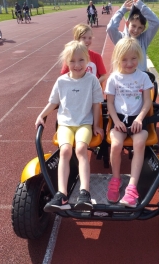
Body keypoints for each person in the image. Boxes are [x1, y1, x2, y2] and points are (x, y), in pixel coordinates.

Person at [35, 41, 104, 212]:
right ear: (66, 62)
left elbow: (96, 104)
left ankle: (84, 192)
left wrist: (97, 125)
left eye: (81, 60)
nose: (77, 65)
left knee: (81, 149)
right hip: (65, 123)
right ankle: (61, 194)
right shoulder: (61, 81)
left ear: (87, 60)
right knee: (65, 151)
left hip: (83, 124)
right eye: (72, 61)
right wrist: (42, 115)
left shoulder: (92, 80)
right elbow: (53, 102)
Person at [104, 37, 153, 207]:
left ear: (138, 57)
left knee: (139, 143)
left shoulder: (143, 77)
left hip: (138, 120)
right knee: (116, 145)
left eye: (133, 58)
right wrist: (116, 120)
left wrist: (140, 118)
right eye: (124, 59)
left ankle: (132, 187)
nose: (129, 63)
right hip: (119, 119)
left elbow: (147, 101)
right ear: (118, 59)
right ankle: (116, 179)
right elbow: (109, 103)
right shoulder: (113, 78)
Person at [106, 0, 159, 71]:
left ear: (143, 29)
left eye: (140, 28)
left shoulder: (144, 39)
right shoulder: (121, 39)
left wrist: (141, 5)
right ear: (127, 24)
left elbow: (156, 23)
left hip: (141, 80)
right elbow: (111, 27)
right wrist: (122, 11)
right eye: (133, 26)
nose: (136, 30)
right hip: (124, 80)